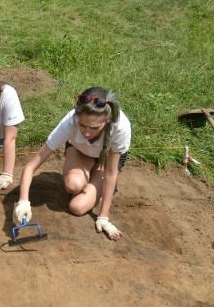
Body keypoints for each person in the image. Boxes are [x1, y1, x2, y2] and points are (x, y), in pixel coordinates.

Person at [14, 87, 131, 240]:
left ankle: (101, 182)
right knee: (73, 185)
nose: (87, 132)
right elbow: (31, 165)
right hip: (80, 151)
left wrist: (104, 217)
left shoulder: (121, 127)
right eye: (82, 125)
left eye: (95, 128)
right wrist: (23, 201)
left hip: (106, 161)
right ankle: (92, 179)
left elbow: (111, 172)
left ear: (107, 121)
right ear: (77, 118)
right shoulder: (70, 122)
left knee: (77, 207)